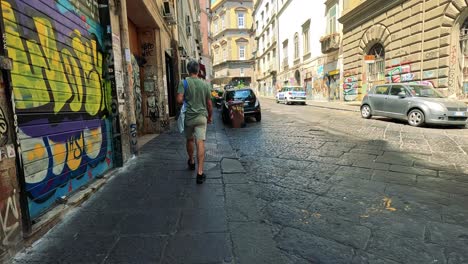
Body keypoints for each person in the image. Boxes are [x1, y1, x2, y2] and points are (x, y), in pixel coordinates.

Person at [177, 60, 213, 184]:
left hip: (189, 117)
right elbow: (209, 104)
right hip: (201, 117)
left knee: (189, 140)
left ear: (188, 70)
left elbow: (179, 100)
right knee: (200, 142)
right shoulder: (205, 85)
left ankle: (191, 161)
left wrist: (186, 102)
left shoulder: (184, 82)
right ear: (198, 71)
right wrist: (210, 117)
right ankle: (200, 173)